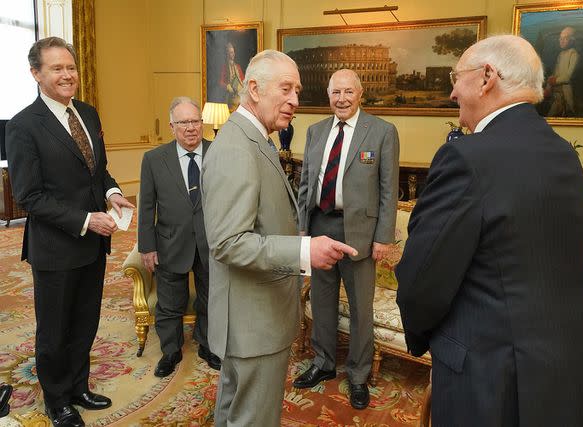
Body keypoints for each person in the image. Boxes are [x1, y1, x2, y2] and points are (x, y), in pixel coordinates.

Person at [395, 35, 583, 426]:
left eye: (457, 77)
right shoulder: (564, 154)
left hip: (492, 379)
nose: (453, 90)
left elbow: (422, 275)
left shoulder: (466, 157)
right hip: (571, 372)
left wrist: (427, 339)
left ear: (488, 77)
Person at [201, 50, 357, 427]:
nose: (295, 101)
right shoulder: (237, 147)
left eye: (298, 91)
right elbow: (228, 242)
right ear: (253, 89)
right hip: (252, 322)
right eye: (286, 89)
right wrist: (305, 249)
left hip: (255, 317)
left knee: (234, 413)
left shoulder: (257, 139)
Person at [5, 37, 135, 427]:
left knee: (85, 321)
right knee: (55, 330)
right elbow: (29, 196)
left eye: (71, 67)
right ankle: (57, 400)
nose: (68, 75)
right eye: (57, 68)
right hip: (55, 248)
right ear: (36, 74)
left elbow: (99, 171)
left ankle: (78, 386)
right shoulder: (23, 125)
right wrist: (85, 219)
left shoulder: (88, 113)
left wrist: (113, 193)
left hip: (93, 246)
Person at [293, 69, 399, 410]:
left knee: (360, 309)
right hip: (320, 227)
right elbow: (305, 183)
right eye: (336, 92)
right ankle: (323, 363)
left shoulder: (382, 132)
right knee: (322, 302)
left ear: (360, 93)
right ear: (328, 95)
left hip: (361, 235)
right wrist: (301, 229)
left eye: (348, 92)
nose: (341, 98)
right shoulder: (315, 131)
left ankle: (358, 375)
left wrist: (383, 237)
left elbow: (388, 191)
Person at [138, 96, 220, 378]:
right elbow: (146, 206)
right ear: (172, 126)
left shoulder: (218, 151)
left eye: (194, 121)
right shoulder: (153, 159)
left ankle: (208, 345)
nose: (190, 128)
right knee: (170, 302)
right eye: (183, 122)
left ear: (202, 123)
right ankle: (170, 351)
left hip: (212, 243)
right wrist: (147, 247)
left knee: (211, 298)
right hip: (171, 242)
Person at [545, 27, 579, 116]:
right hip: (557, 94)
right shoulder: (561, 54)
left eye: (565, 38)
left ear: (572, 40)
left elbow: (568, 77)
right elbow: (556, 74)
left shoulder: (573, 54)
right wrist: (549, 85)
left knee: (565, 114)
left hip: (566, 93)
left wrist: (553, 81)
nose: (562, 41)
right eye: (560, 38)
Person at [218, 42, 245, 112]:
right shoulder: (224, 67)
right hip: (229, 97)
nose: (233, 54)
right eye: (231, 52)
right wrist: (227, 86)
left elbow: (243, 81)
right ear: (227, 54)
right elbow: (221, 82)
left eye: (233, 52)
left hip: (239, 97)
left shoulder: (238, 67)